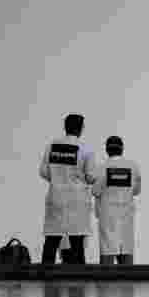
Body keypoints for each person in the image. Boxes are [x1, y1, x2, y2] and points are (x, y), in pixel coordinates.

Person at [39, 113, 97, 264]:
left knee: (51, 240)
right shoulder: (86, 149)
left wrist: (58, 179)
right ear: (81, 129)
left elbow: (43, 172)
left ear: (65, 127)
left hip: (56, 196)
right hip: (77, 200)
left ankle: (45, 279)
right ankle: (79, 282)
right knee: (77, 242)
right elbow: (91, 177)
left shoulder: (52, 146)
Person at [91, 135, 141, 265]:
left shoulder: (102, 167)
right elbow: (136, 190)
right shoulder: (133, 167)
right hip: (126, 214)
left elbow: (95, 191)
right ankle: (128, 283)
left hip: (108, 215)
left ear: (107, 150)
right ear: (122, 149)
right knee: (126, 249)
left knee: (107, 250)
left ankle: (105, 283)